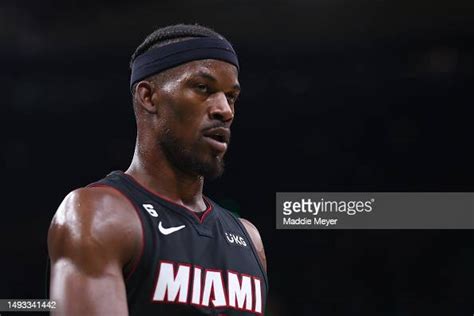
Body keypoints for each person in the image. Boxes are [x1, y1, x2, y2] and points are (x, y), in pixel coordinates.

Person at [47, 24, 268, 315]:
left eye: (231, 96)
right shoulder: (99, 215)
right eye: (203, 88)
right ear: (149, 97)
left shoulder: (249, 238)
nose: (224, 110)